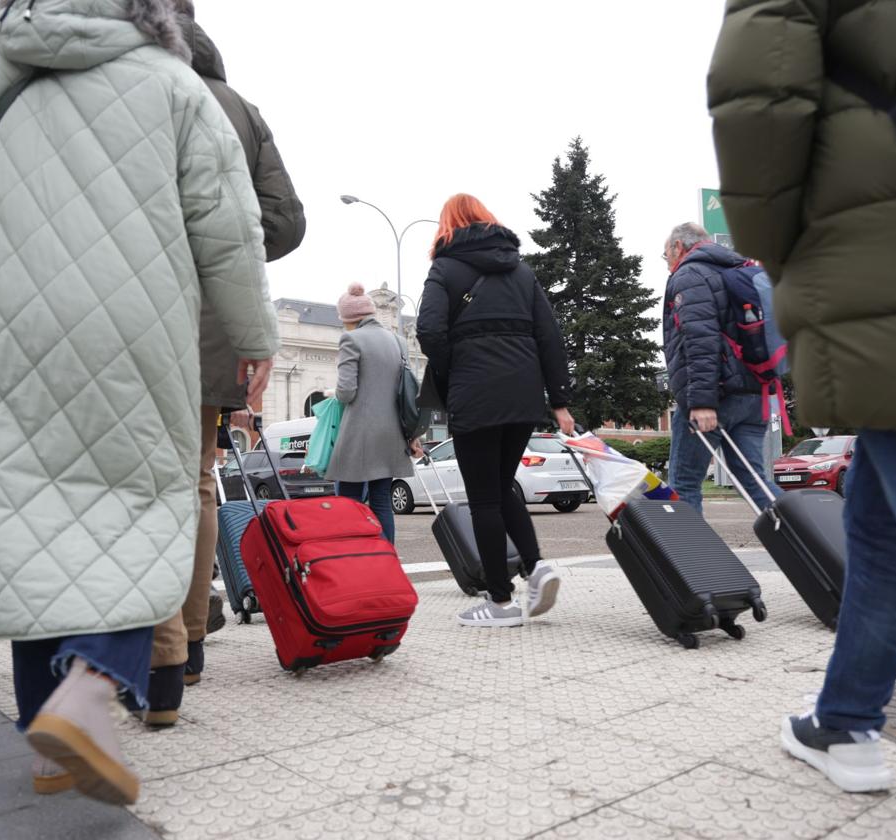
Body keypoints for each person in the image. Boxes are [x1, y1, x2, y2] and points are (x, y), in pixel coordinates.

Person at [0, 0, 277, 805]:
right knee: (142, 506)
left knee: (25, 519)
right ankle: (90, 691)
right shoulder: (173, 84)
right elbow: (228, 221)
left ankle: (51, 740)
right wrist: (251, 334)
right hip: (133, 327)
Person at [709, 0, 896, 793]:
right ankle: (843, 723)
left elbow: (758, 103)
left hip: (877, 247)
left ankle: (844, 721)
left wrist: (776, 254)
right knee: (880, 530)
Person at [143, 0, 306, 728]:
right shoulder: (240, 108)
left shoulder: (130, 87)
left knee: (131, 483)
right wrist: (226, 250)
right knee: (197, 484)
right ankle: (194, 642)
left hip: (131, 310)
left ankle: (149, 650)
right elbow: (286, 219)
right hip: (213, 321)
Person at [416, 194, 574, 628]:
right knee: (503, 488)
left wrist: (455, 370)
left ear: (448, 225)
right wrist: (559, 399)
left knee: (484, 498)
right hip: (523, 396)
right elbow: (549, 335)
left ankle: (500, 602)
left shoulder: (445, 269)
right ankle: (537, 567)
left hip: (476, 394)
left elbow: (428, 329)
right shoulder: (522, 271)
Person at [662, 222, 782, 515]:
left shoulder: (690, 275)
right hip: (755, 396)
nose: (666, 262)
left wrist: (702, 402)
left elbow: (700, 340)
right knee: (755, 481)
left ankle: (692, 560)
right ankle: (814, 542)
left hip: (715, 398)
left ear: (679, 247)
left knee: (685, 483)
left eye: (665, 254)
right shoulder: (740, 270)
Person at [323, 283, 415, 543]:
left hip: (361, 434)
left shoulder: (351, 339)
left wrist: (332, 392)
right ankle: (388, 560)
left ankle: (357, 559)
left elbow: (347, 392)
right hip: (392, 433)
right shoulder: (398, 342)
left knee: (348, 500)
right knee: (382, 501)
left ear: (349, 319)